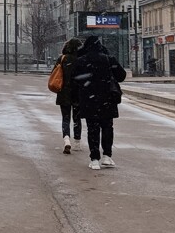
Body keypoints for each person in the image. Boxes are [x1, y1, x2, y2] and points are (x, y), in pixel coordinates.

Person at [72, 35, 127, 170]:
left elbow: (74, 80)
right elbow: (121, 76)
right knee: (107, 127)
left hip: (89, 99)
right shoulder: (109, 59)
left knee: (92, 129)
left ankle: (94, 158)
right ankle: (107, 156)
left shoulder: (81, 61)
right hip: (107, 99)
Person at [54, 38, 83, 154]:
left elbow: (55, 74)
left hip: (64, 92)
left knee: (65, 118)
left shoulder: (62, 59)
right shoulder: (81, 60)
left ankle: (66, 139)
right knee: (77, 118)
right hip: (77, 93)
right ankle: (77, 142)